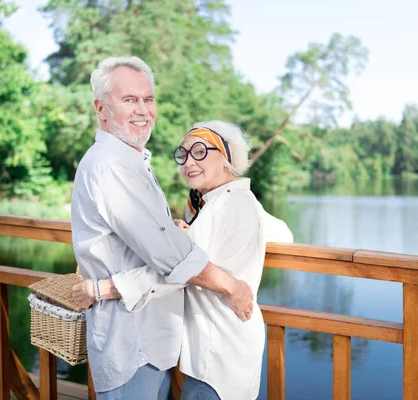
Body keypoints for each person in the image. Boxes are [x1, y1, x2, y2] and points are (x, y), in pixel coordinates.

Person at [70, 56, 255, 400]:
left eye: (148, 99)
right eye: (129, 100)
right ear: (101, 108)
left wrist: (168, 233)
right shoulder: (111, 165)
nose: (143, 110)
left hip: (154, 343)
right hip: (131, 344)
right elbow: (167, 255)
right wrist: (230, 285)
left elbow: (155, 241)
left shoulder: (133, 161)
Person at [87, 120, 294, 400]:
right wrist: (191, 235)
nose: (188, 162)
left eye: (199, 151)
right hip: (226, 347)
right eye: (182, 155)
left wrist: (106, 288)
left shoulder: (225, 206)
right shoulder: (231, 201)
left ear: (226, 157)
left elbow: (176, 270)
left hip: (218, 354)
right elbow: (284, 234)